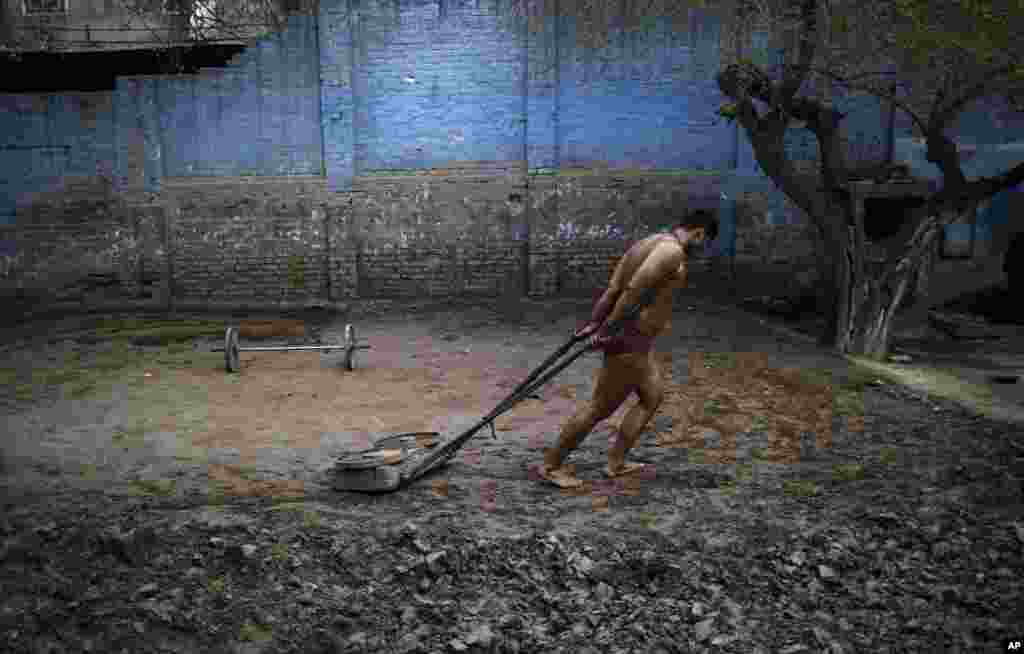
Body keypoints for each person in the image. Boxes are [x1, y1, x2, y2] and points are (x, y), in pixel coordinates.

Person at [536, 209, 719, 488]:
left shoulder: (649, 243)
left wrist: (595, 322)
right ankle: (551, 465)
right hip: (630, 339)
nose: (702, 250)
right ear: (699, 233)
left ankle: (616, 462)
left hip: (636, 341)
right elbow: (632, 290)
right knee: (599, 407)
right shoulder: (671, 252)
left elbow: (613, 288)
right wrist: (607, 330)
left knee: (652, 396)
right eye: (704, 243)